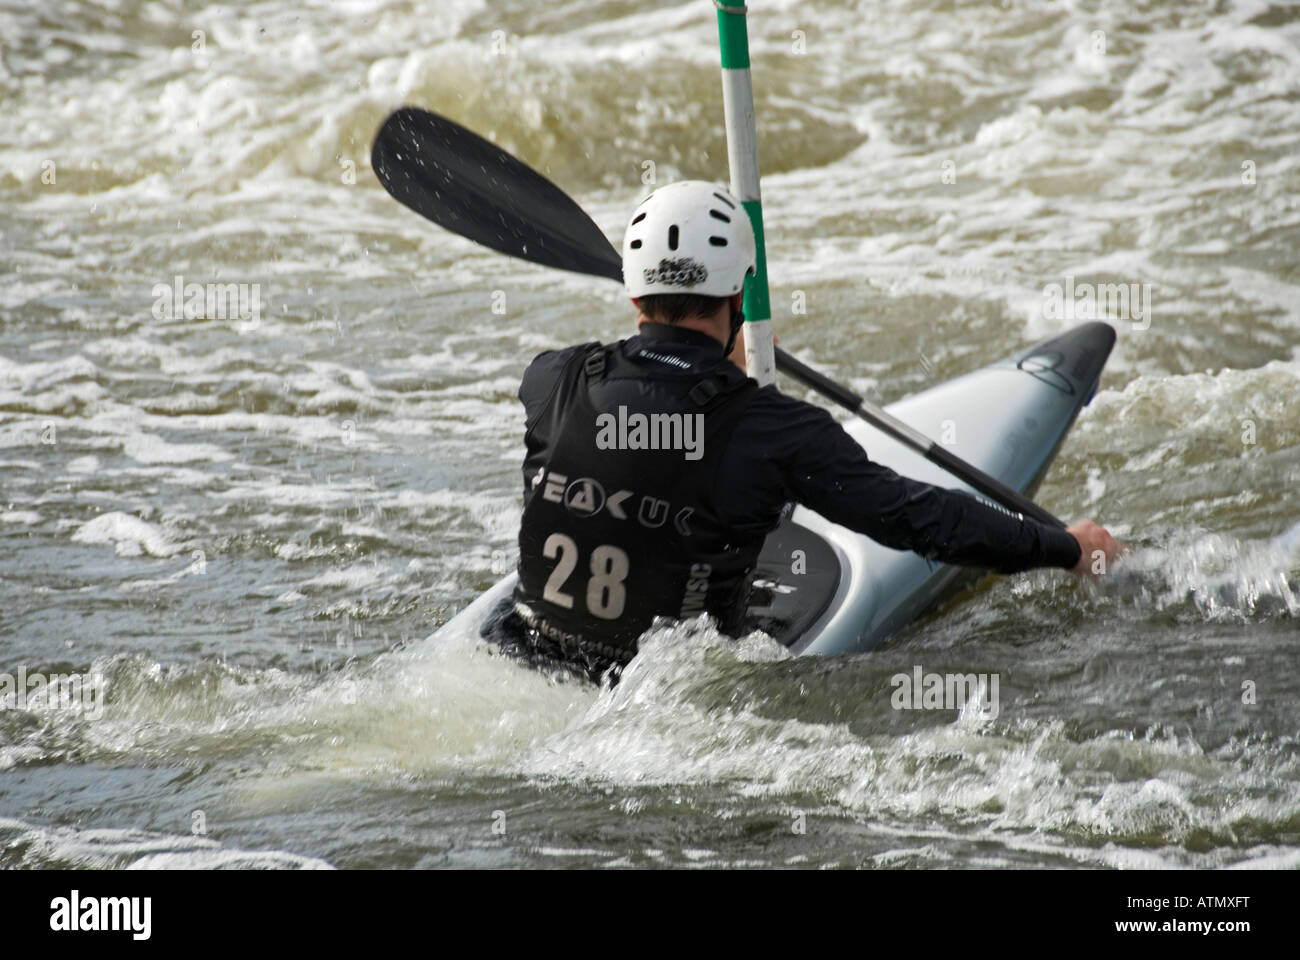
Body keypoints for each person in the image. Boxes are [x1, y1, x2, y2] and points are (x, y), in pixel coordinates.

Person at [484, 181, 1119, 683]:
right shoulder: (774, 431)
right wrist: (1064, 547)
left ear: (632, 295)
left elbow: (643, 422)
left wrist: (691, 367)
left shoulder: (555, 379)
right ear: (740, 293)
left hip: (527, 656)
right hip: (660, 694)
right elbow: (916, 518)